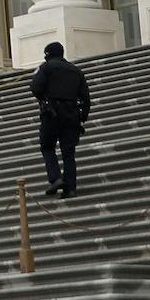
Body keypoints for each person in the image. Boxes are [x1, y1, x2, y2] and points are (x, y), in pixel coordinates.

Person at [31, 41, 91, 198]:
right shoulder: (76, 71)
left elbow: (36, 88)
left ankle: (56, 178)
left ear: (48, 55)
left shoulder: (46, 68)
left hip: (52, 113)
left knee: (47, 146)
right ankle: (70, 188)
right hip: (72, 115)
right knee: (68, 153)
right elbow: (85, 97)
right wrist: (82, 117)